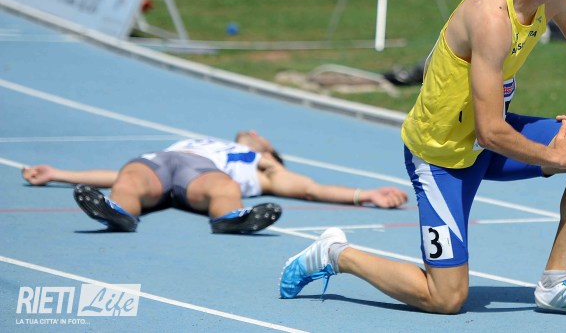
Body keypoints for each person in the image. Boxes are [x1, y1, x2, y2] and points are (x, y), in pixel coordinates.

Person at [279, 0, 566, 318]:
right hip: (441, 157)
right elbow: (489, 132)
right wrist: (555, 156)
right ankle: (335, 254)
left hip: (488, 141)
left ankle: (556, 283)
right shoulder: (491, 16)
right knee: (446, 298)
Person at [22, 130, 408, 234]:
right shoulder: (213, 142)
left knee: (225, 188)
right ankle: (118, 213)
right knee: (130, 176)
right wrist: (57, 174)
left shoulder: (266, 169)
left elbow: (312, 189)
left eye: (260, 136)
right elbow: (113, 176)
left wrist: (367, 195)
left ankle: (230, 219)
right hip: (160, 162)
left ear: (270, 152)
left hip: (204, 178)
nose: (252, 132)